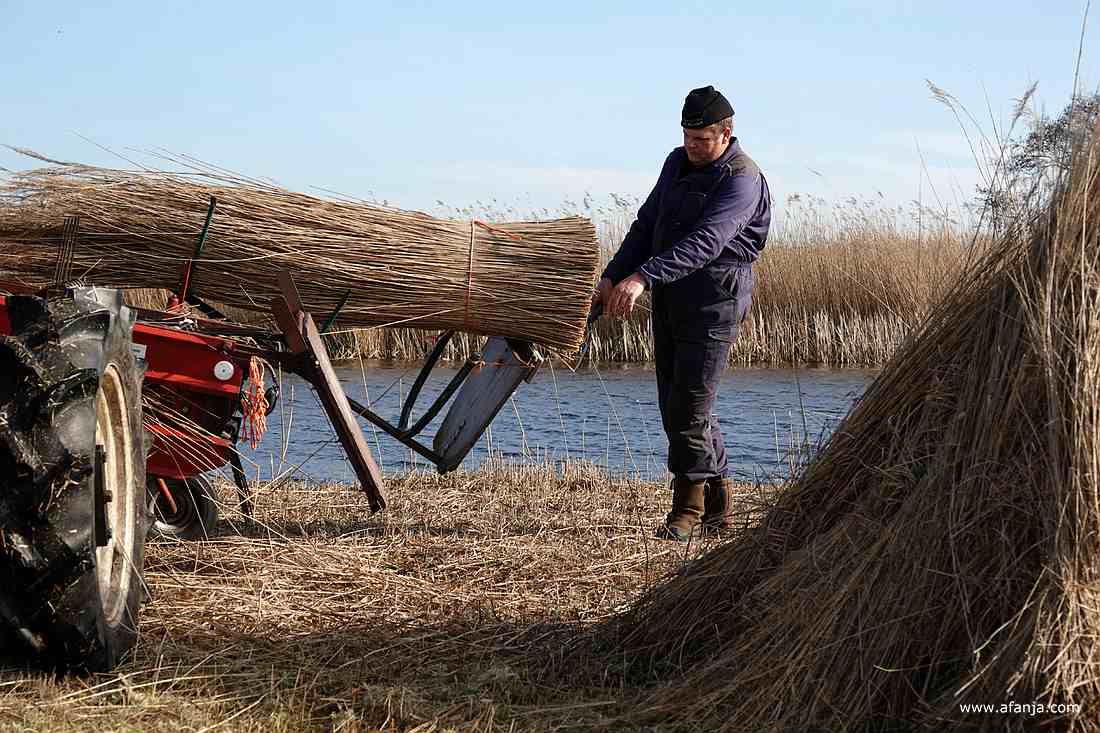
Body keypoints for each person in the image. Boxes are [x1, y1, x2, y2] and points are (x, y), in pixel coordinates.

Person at [593, 85, 771, 541]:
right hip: (672, 295)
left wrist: (643, 278)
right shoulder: (675, 163)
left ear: (726, 133)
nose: (692, 147)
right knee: (678, 405)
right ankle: (719, 509)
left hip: (716, 301)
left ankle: (686, 512)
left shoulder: (742, 179)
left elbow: (707, 242)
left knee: (689, 407)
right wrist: (614, 274)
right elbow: (647, 224)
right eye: (688, 136)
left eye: (702, 139)